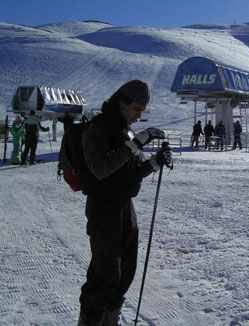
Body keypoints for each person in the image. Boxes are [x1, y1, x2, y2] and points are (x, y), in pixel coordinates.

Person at [77, 80, 172, 326]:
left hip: (124, 208)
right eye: (137, 109)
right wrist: (136, 143)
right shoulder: (97, 129)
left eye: (142, 110)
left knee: (124, 273)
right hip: (103, 209)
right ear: (122, 102)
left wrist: (154, 163)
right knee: (104, 274)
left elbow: (130, 172)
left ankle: (110, 321)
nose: (139, 115)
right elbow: (100, 168)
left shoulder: (126, 132)